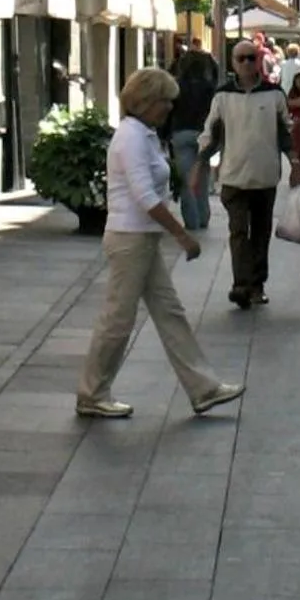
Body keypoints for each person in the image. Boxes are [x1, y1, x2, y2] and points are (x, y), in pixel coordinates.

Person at [77, 68, 248, 419]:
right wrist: (181, 234)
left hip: (141, 239)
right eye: (165, 103)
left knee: (170, 313)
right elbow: (144, 195)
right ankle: (92, 393)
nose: (169, 109)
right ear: (146, 101)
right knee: (118, 319)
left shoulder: (143, 134)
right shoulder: (132, 138)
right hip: (129, 239)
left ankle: (203, 388)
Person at [192, 40, 293, 309]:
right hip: (233, 176)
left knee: (260, 232)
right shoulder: (223, 96)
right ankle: (241, 284)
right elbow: (210, 133)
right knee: (238, 231)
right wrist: (199, 165)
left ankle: (256, 284)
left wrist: (296, 163)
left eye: (251, 58)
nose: (247, 63)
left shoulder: (274, 94)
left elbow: (286, 131)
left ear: (259, 60)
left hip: (265, 176)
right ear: (234, 63)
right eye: (242, 59)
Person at [168, 46, 220, 232]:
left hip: (181, 133)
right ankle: (204, 216)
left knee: (185, 178)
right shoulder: (210, 88)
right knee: (202, 176)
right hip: (203, 134)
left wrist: (164, 136)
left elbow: (168, 112)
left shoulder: (176, 86)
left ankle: (192, 220)